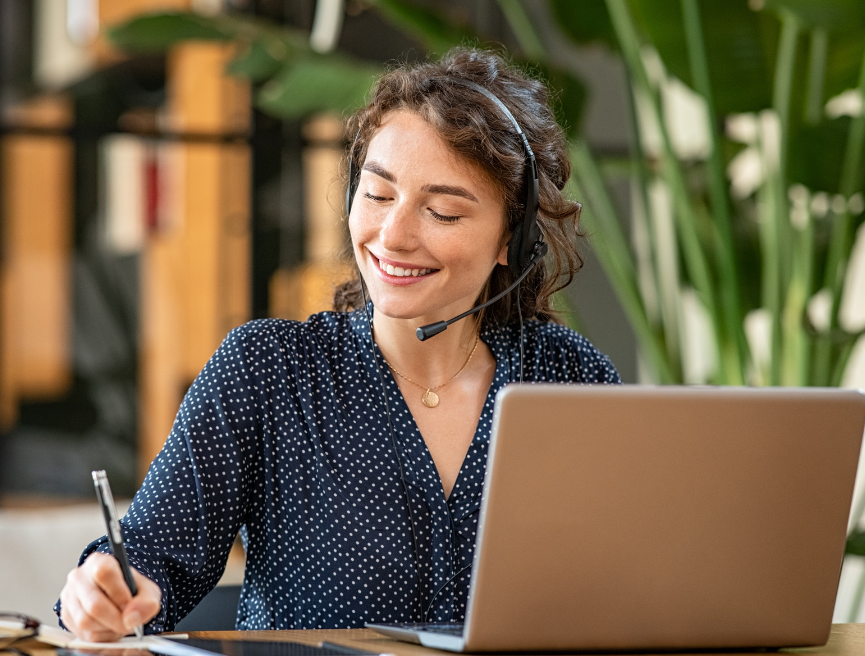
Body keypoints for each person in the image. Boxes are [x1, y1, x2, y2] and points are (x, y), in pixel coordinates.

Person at [56, 46, 620, 640]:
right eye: (377, 196)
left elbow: (631, 584)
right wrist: (101, 592)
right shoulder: (267, 370)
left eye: (443, 213)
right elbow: (144, 564)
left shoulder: (570, 379)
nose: (393, 235)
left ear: (513, 237)